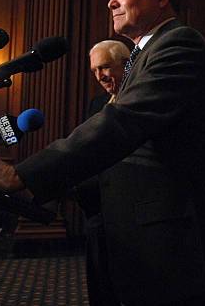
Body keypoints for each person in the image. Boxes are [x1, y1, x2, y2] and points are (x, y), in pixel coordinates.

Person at [0, 0, 205, 306]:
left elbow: (123, 124)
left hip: (169, 243)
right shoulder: (144, 54)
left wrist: (22, 175)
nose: (111, 3)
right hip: (131, 236)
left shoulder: (180, 44)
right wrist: (44, 188)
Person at [74, 39, 129, 306]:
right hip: (96, 212)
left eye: (106, 67)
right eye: (95, 70)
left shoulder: (141, 100)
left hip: (132, 215)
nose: (100, 76)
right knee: (100, 289)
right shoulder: (97, 103)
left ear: (126, 65)